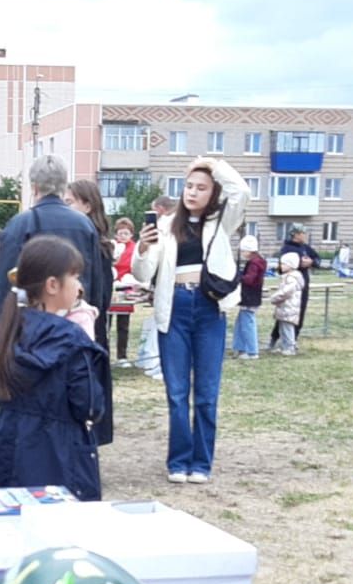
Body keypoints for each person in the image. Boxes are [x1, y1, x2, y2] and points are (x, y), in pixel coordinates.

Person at [132, 156, 249, 484]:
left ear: (213, 193)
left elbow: (241, 191)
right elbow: (142, 274)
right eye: (188, 186)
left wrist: (210, 164)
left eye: (201, 187)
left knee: (208, 392)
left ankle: (202, 463)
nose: (192, 192)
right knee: (177, 391)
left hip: (210, 308)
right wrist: (142, 248)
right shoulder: (167, 225)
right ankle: (178, 461)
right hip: (176, 308)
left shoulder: (222, 222)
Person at [0, 156, 112, 444]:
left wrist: (1, 330)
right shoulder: (84, 226)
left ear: (33, 186)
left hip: (30, 332)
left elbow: (2, 289)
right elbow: (96, 284)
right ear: (63, 185)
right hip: (75, 329)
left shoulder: (20, 224)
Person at [0, 235, 106, 501]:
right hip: (60, 454)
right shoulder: (73, 339)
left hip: (8, 446)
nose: (79, 286)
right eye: (75, 277)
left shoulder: (5, 330)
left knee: (10, 525)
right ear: (52, 284)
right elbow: (90, 405)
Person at [63, 179, 117, 438]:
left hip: (89, 329)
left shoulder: (98, 246)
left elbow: (102, 296)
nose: (65, 208)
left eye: (69, 202)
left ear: (87, 205)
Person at [273, 225, 320, 345]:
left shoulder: (305, 247)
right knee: (286, 313)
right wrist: (299, 264)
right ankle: (276, 338)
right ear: (296, 234)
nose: (305, 235)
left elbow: (317, 259)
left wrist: (311, 262)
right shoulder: (287, 249)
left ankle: (294, 338)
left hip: (302, 284)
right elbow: (281, 267)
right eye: (303, 233)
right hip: (290, 284)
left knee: (300, 311)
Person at [231, 235, 265, 359]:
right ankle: (241, 348)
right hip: (252, 296)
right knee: (242, 322)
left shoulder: (254, 264)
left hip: (249, 297)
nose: (242, 253)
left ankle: (252, 350)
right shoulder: (259, 261)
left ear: (249, 250)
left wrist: (239, 277)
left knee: (247, 323)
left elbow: (249, 280)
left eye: (244, 251)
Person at [112, 217, 138, 362]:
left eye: (126, 233)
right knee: (106, 323)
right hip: (111, 286)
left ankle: (122, 356)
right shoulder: (111, 246)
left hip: (126, 287)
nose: (122, 236)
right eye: (120, 233)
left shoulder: (134, 248)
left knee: (123, 324)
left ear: (131, 234)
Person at [268, 251, 303, 355]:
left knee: (287, 328)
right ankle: (284, 345)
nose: (281, 266)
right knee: (282, 327)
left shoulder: (292, 278)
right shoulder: (288, 276)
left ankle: (290, 346)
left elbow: (286, 291)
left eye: (283, 264)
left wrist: (275, 297)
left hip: (289, 307)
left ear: (291, 265)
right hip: (285, 307)